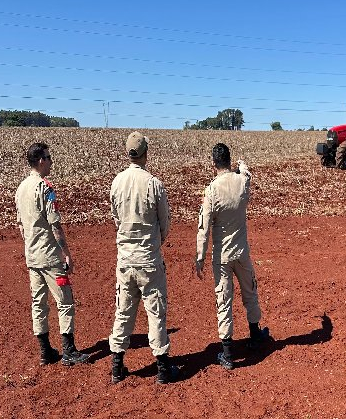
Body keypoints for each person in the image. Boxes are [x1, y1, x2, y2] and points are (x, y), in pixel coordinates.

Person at [108, 131, 177, 384]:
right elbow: (165, 223)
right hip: (149, 259)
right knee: (156, 312)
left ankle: (117, 366)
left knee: (123, 312)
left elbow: (116, 220)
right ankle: (162, 368)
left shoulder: (117, 182)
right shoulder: (154, 184)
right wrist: (155, 241)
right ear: (146, 153)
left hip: (125, 259)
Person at [195, 143, 270, 370]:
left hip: (222, 255)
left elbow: (204, 226)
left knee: (224, 299)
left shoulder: (212, 190)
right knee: (250, 292)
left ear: (213, 164)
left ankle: (227, 352)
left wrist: (200, 256)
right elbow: (247, 173)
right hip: (242, 252)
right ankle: (255, 334)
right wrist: (242, 165)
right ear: (230, 160)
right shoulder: (242, 182)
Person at [15, 142, 89, 367]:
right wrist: (66, 253)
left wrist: (30, 246)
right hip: (50, 257)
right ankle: (69, 351)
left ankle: (45, 351)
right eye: (48, 157)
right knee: (64, 301)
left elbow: (20, 224)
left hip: (32, 257)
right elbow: (55, 224)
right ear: (40, 161)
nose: (50, 161)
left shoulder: (21, 188)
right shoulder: (44, 188)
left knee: (39, 302)